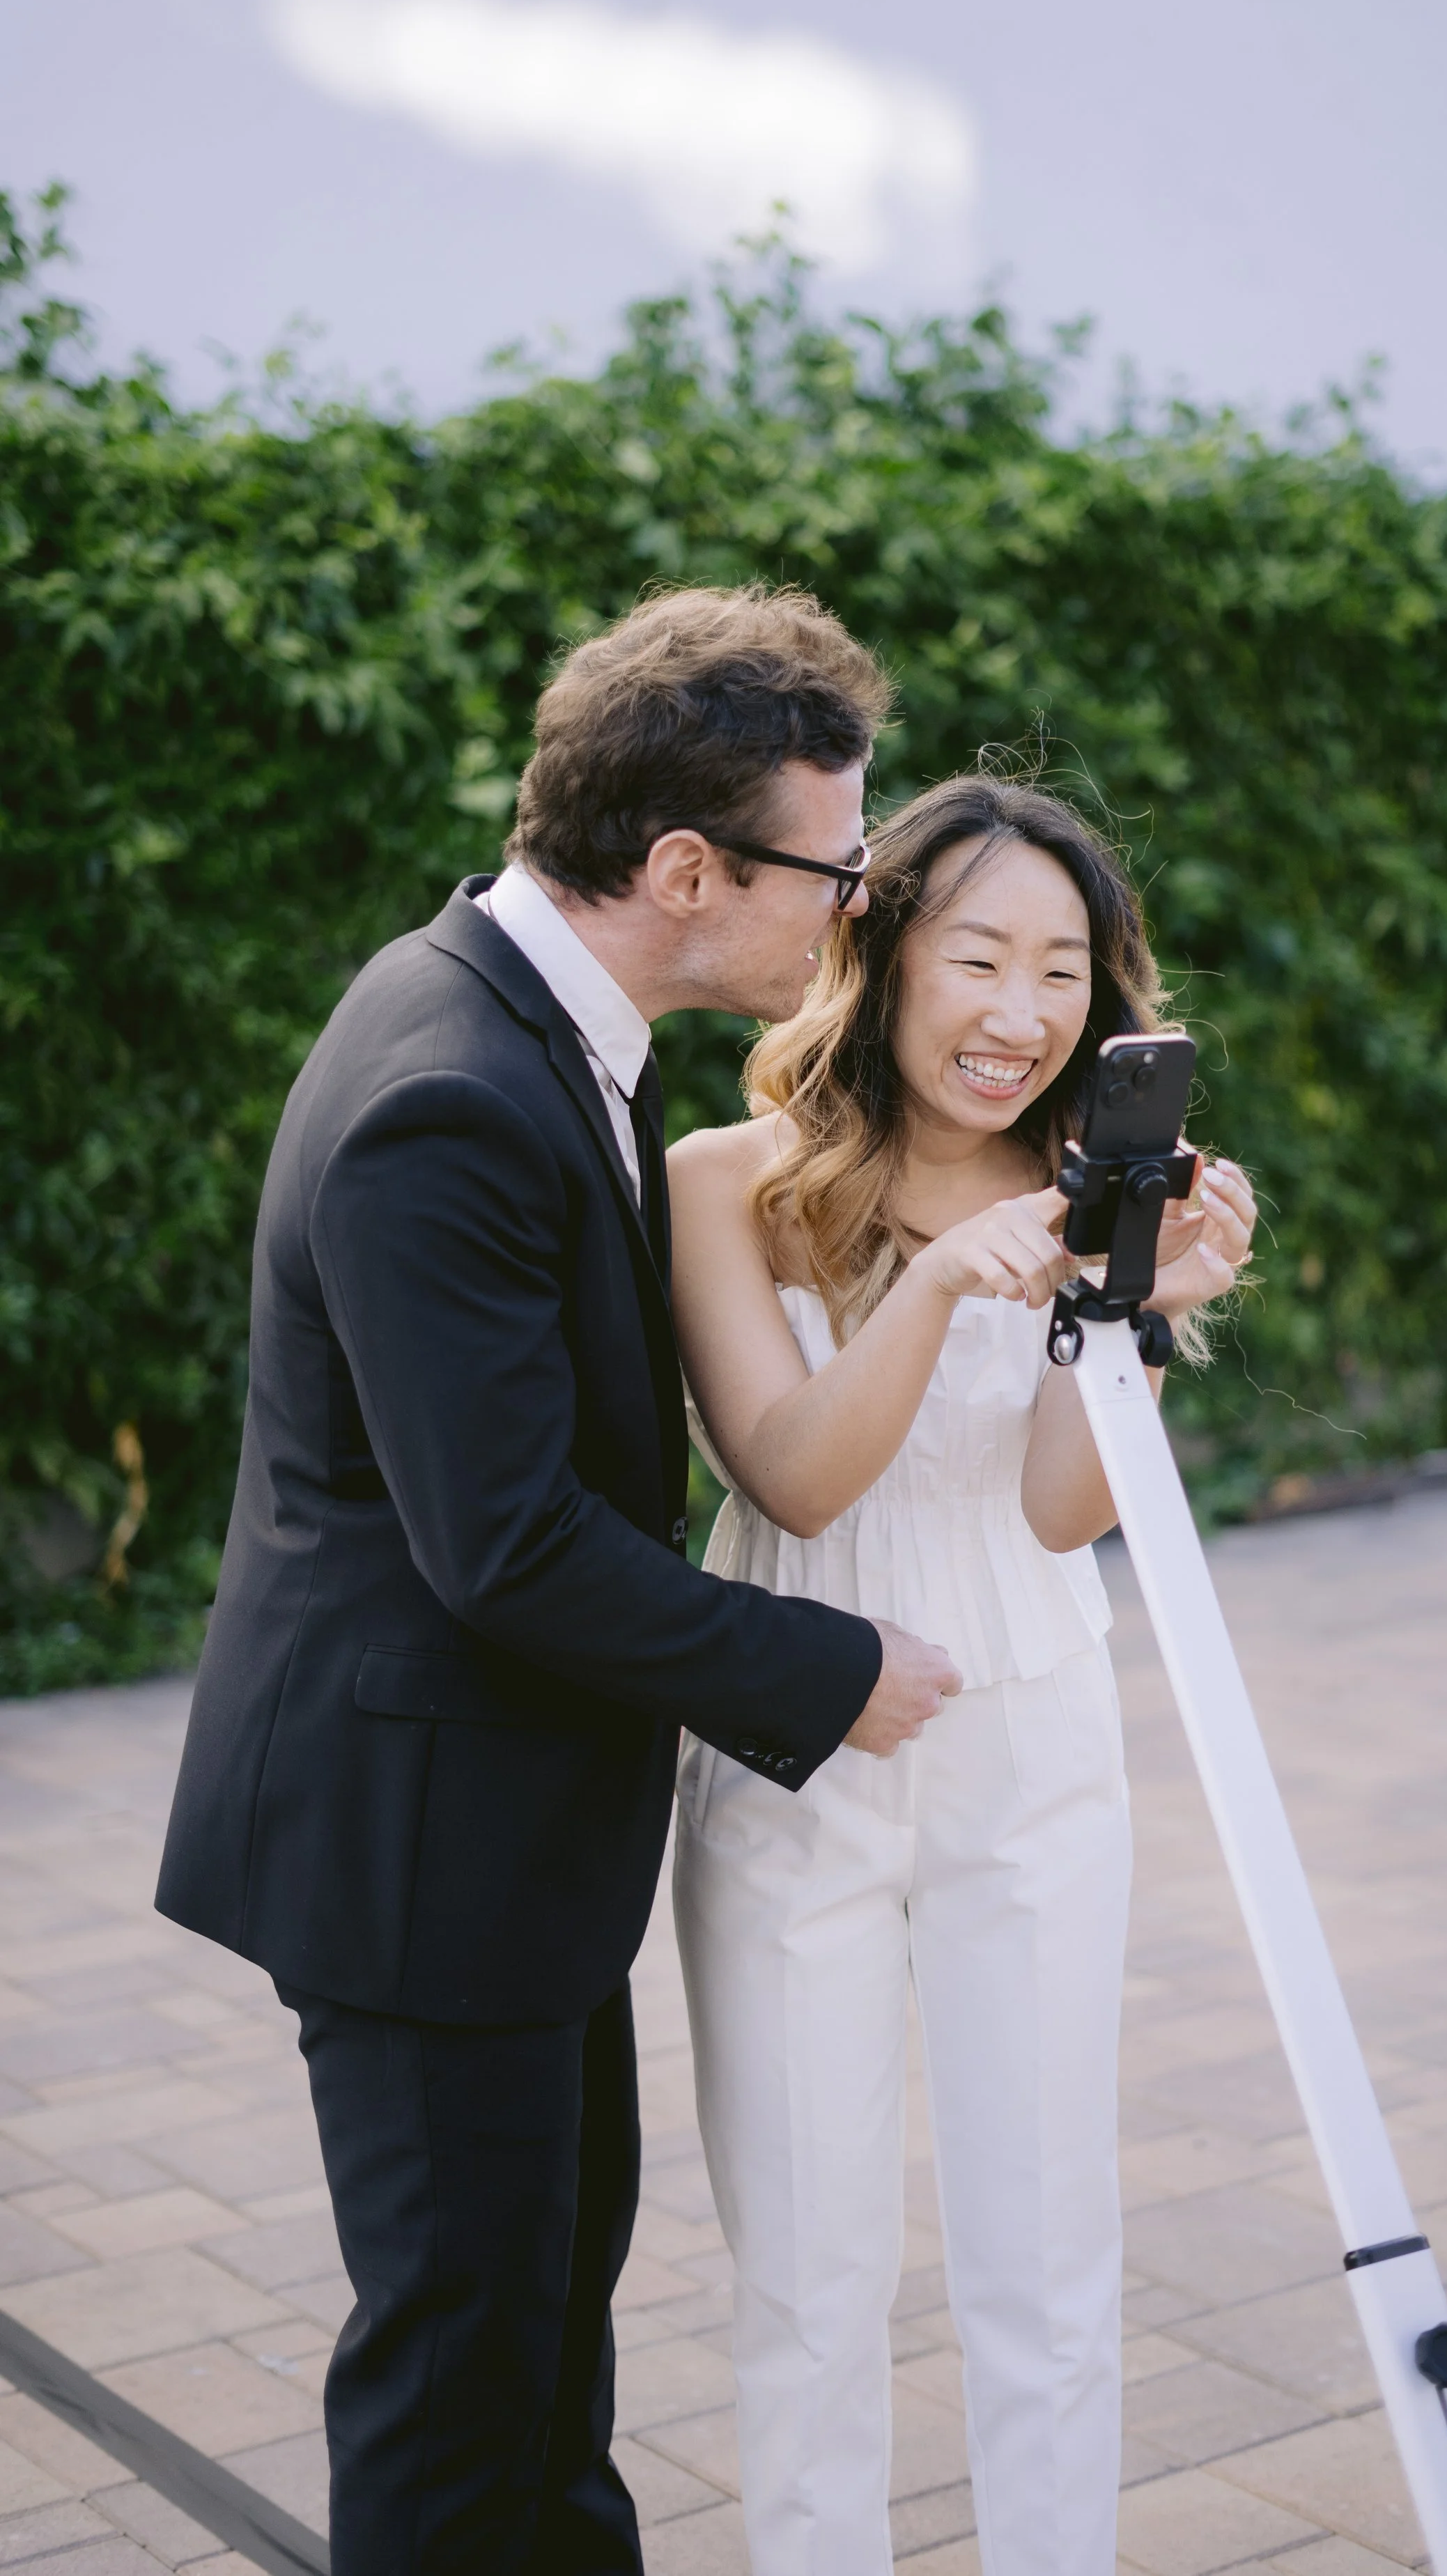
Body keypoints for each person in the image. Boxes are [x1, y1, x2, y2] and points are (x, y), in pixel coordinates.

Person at [154, 585, 961, 2576]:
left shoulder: (530, 1021)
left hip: (490, 1834)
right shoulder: (451, 1086)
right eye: (836, 872)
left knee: (538, 2356)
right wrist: (820, 1659)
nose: (849, 911)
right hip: (419, 1850)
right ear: (687, 867)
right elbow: (505, 1542)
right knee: (461, 2387)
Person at [668, 777, 1257, 2576]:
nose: (1019, 1012)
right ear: (875, 949)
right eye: (978, 955)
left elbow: (1058, 1507)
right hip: (792, 1761)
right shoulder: (721, 1180)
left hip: (1037, 1742)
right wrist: (932, 1293)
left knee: (1045, 2253)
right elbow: (793, 1474)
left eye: (1061, 969)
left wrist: (1139, 1310)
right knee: (808, 2272)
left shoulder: (1083, 1185)